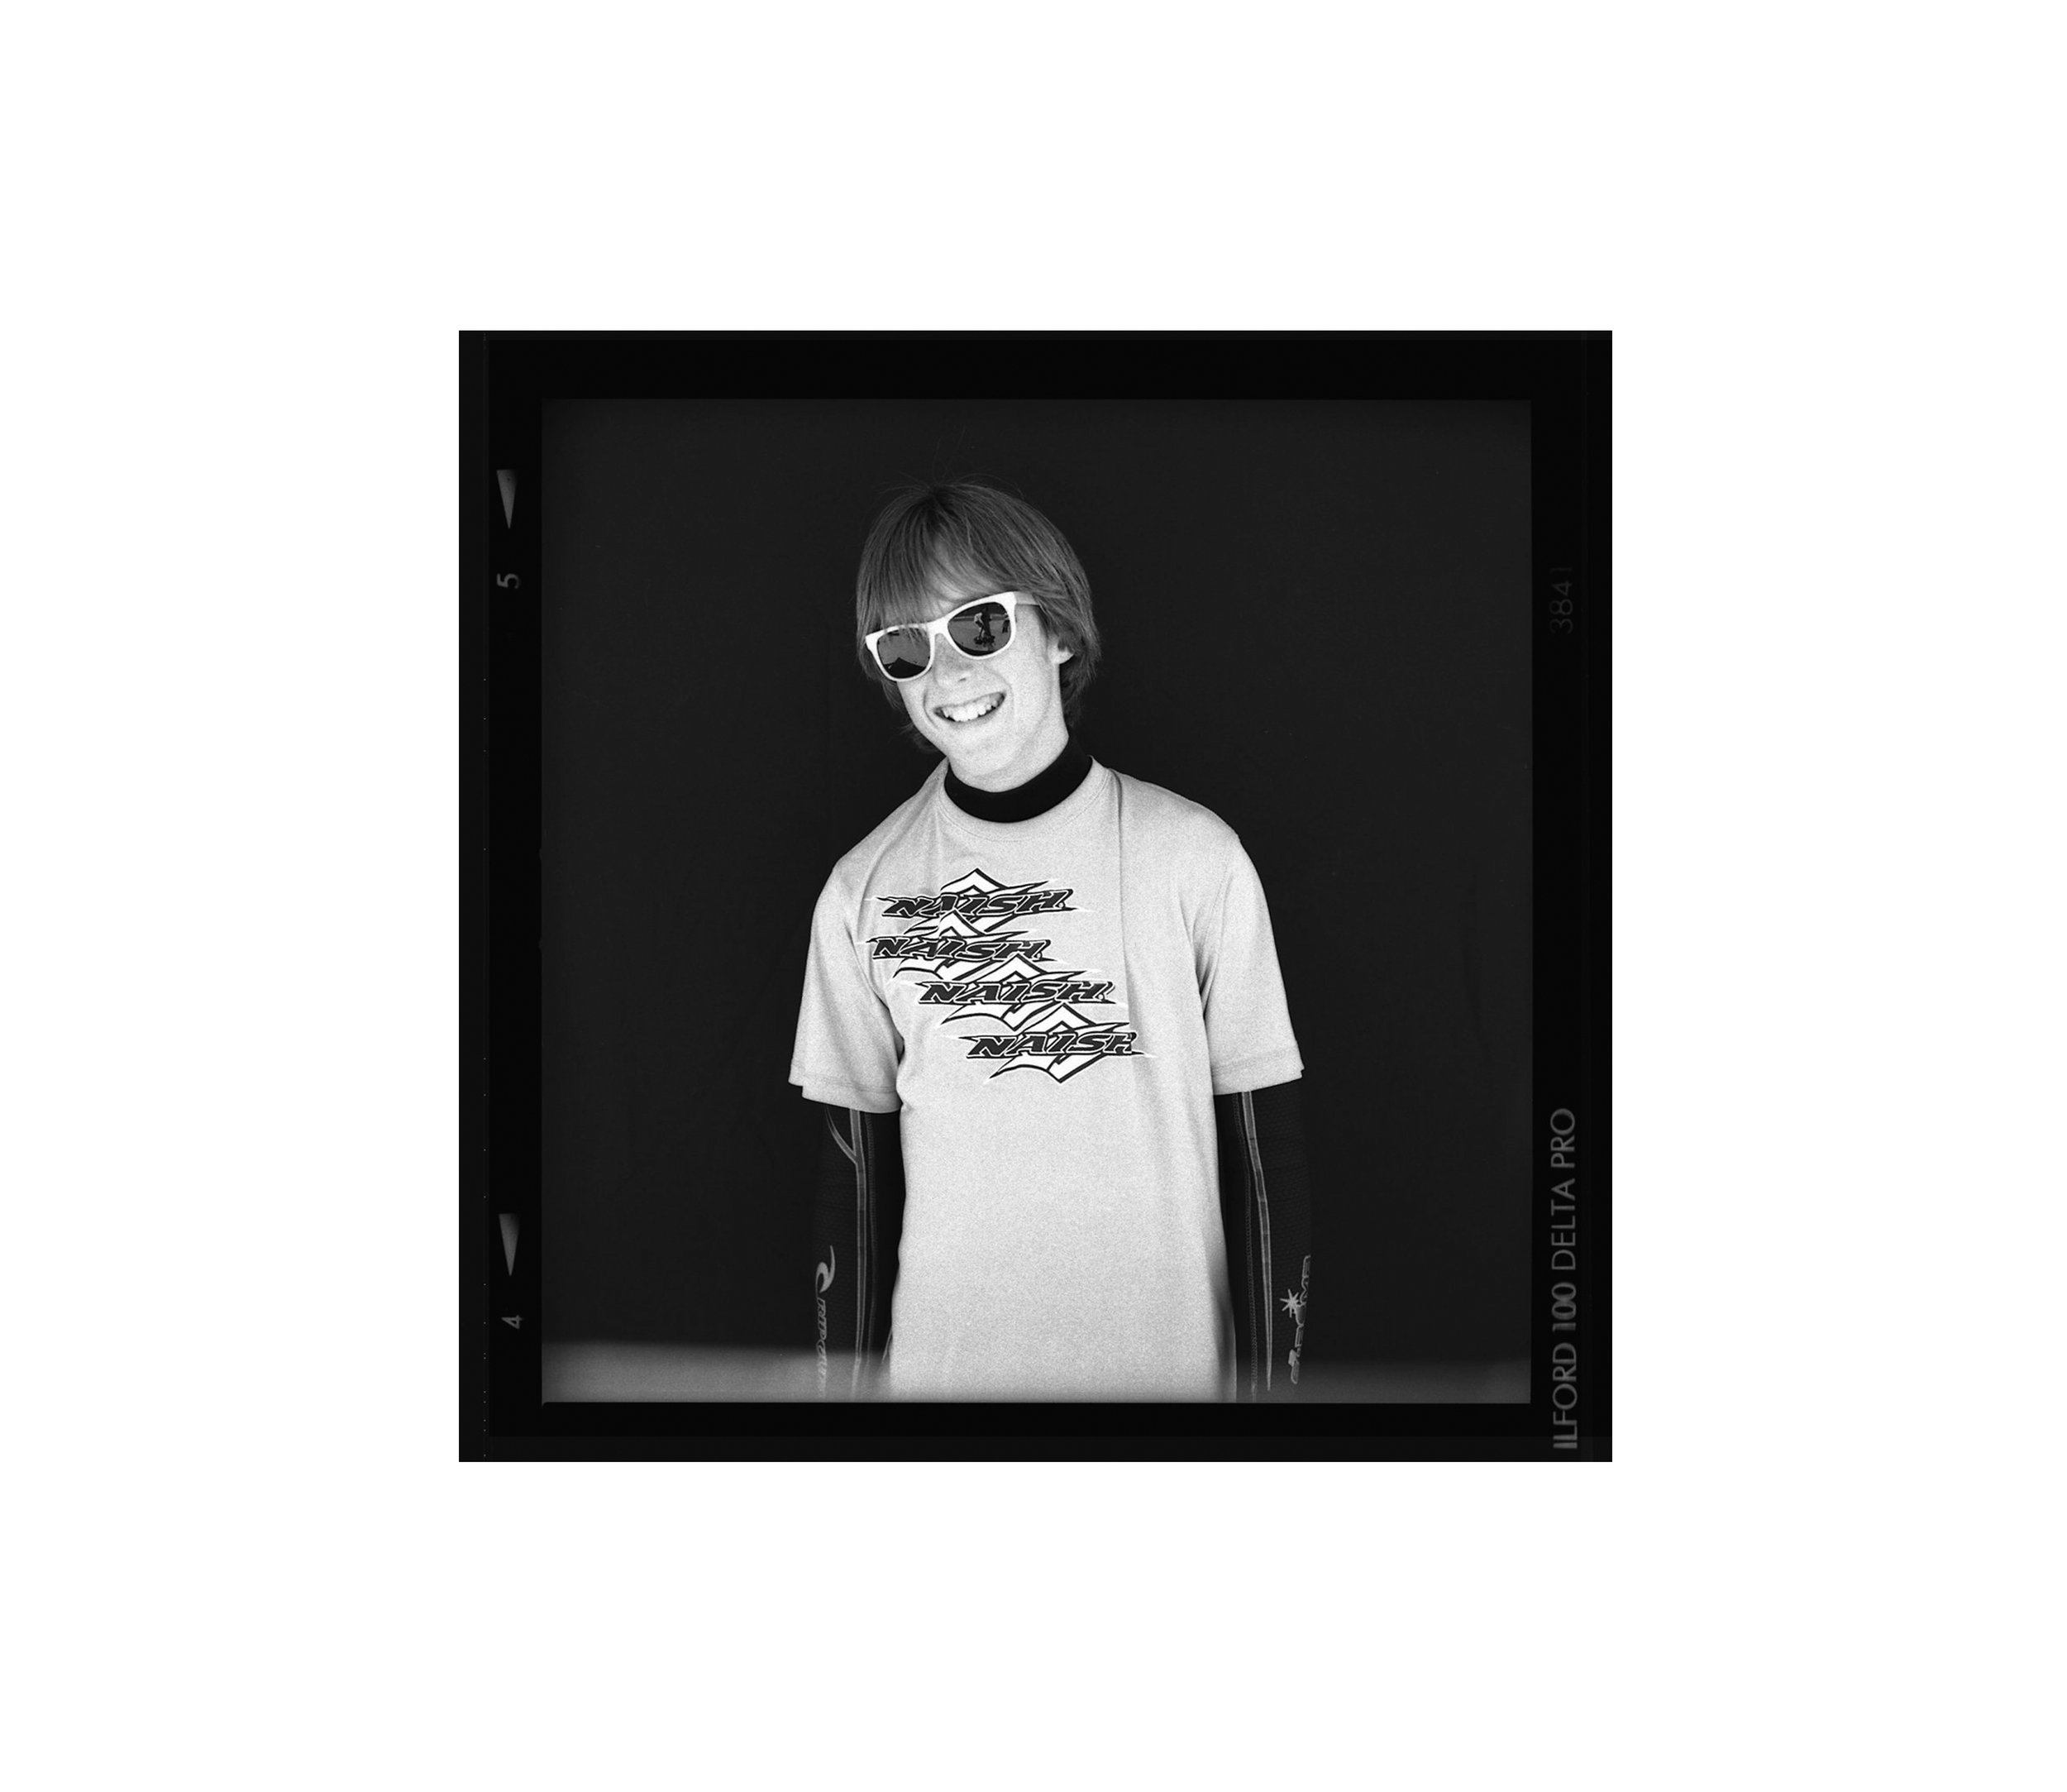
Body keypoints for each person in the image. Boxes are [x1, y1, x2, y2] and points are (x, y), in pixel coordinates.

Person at [790, 479, 1311, 1400]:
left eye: (979, 625)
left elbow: (1267, 1168)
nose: (948, 674)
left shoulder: (1195, 859)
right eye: (906, 645)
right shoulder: (860, 893)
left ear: (1058, 630)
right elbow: (853, 1197)